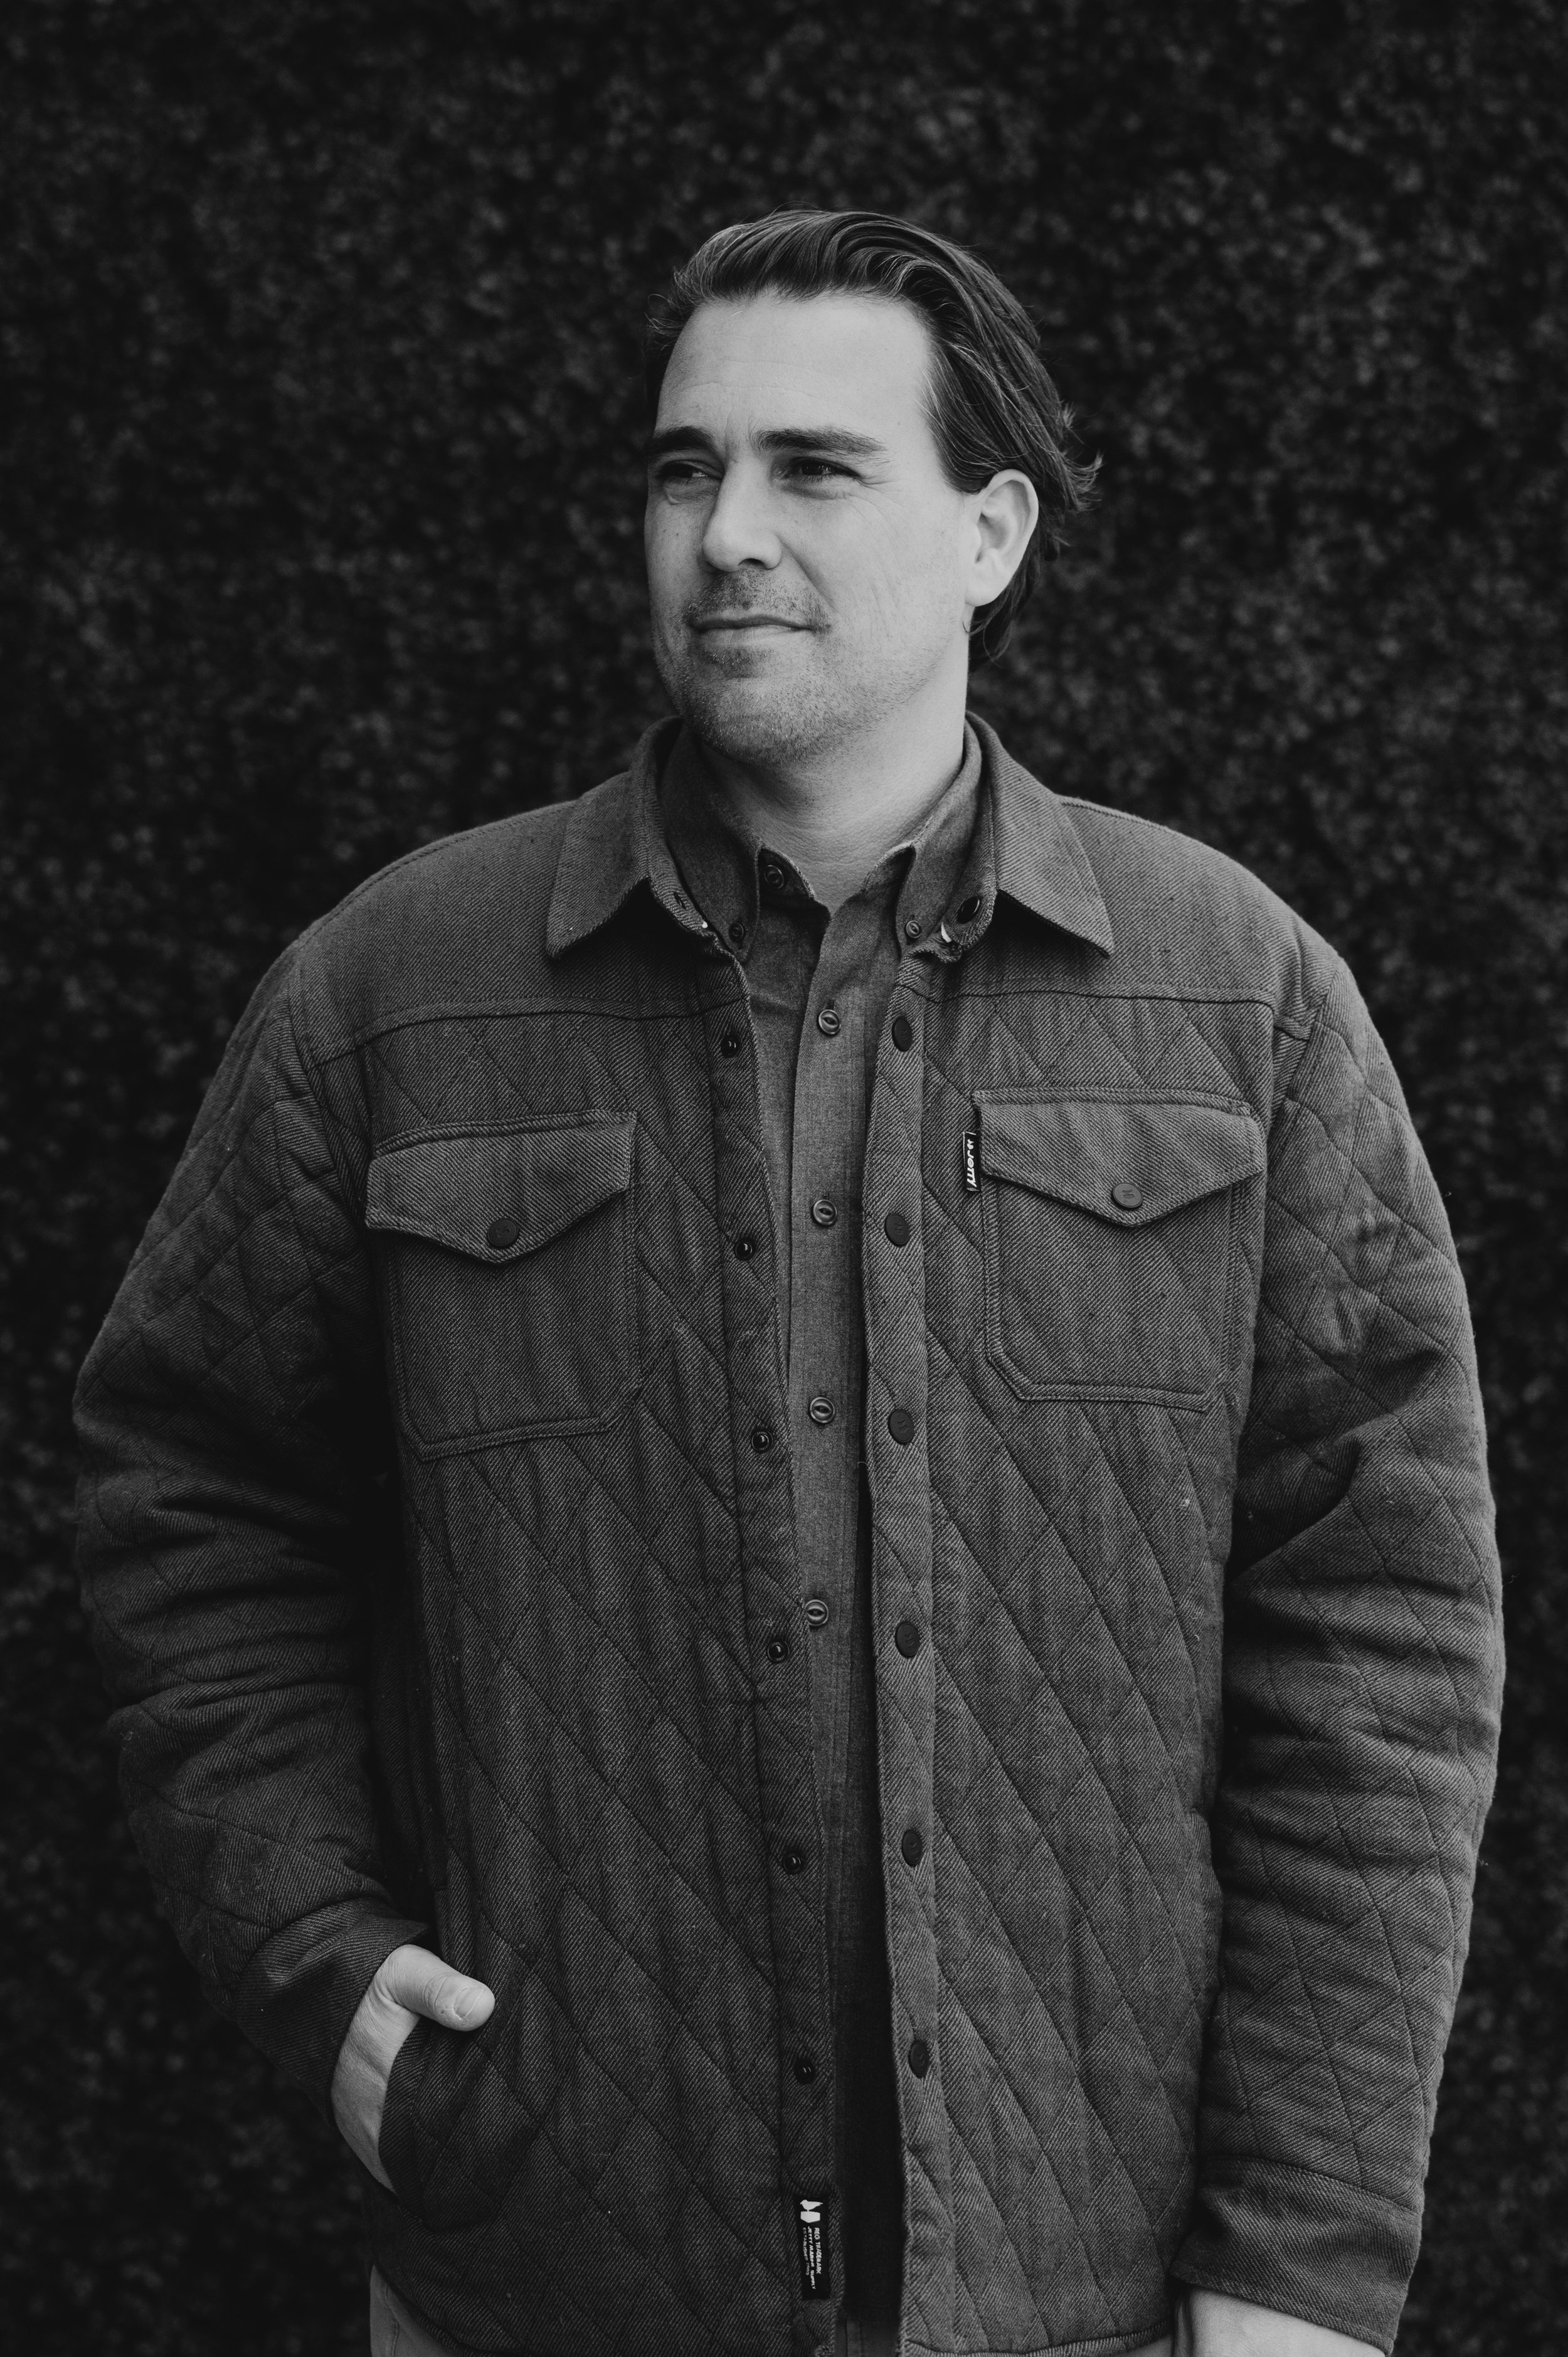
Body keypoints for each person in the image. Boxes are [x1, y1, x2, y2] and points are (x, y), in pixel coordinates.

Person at [75, 211, 1503, 2357]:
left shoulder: (1240, 1004)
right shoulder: (393, 995)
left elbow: (1378, 1641)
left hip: (1094, 2299)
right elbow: (189, 1499)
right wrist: (314, 1951)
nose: (726, 531)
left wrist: (1299, 2264)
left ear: (991, 533)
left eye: (813, 468)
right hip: (541, 2284)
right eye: (686, 468)